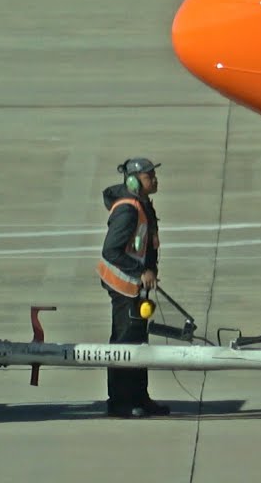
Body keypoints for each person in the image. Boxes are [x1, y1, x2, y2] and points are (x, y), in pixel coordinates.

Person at [96, 157, 171, 418]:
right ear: (133, 181)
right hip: (123, 286)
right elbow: (110, 250)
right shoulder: (127, 210)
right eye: (149, 176)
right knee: (124, 345)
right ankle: (120, 402)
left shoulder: (142, 205)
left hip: (136, 287)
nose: (155, 180)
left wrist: (149, 272)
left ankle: (140, 397)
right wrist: (141, 272)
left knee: (138, 344)